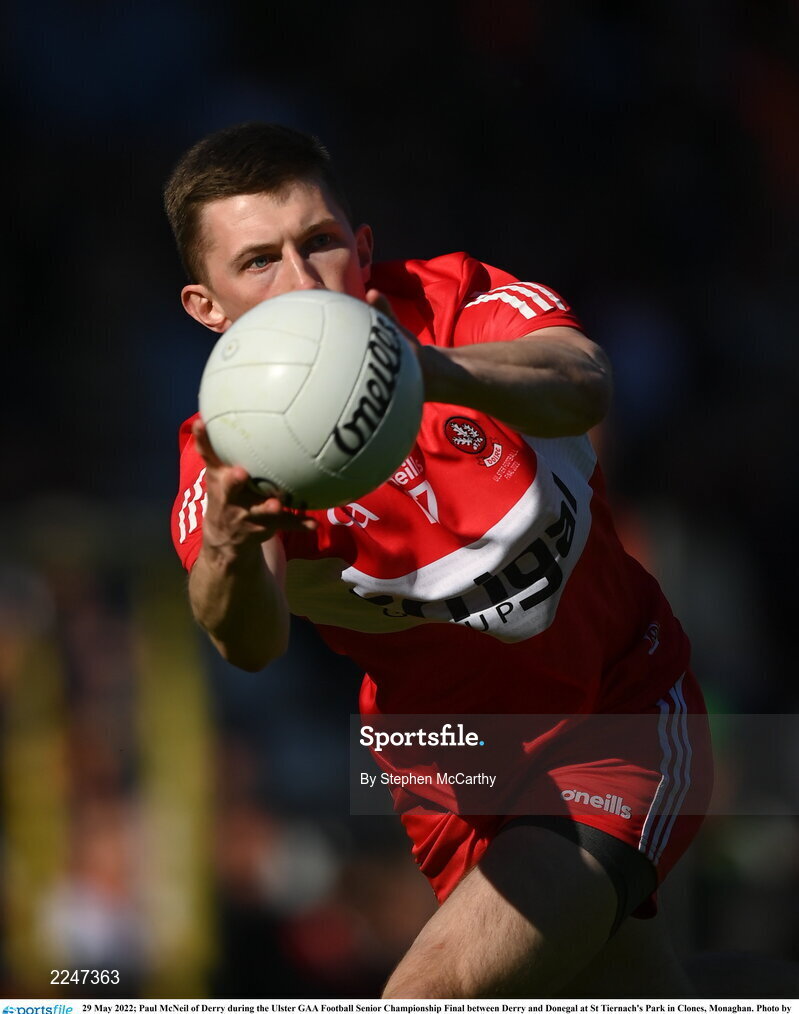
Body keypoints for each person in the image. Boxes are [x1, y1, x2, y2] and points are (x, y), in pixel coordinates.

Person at [165, 122, 712, 998]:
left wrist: (432, 373)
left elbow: (584, 377)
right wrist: (234, 544)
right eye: (259, 263)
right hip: (452, 772)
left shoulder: (452, 303)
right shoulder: (223, 461)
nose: (304, 283)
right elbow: (250, 643)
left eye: (320, 244)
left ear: (363, 244)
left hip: (619, 713)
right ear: (207, 307)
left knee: (426, 994)